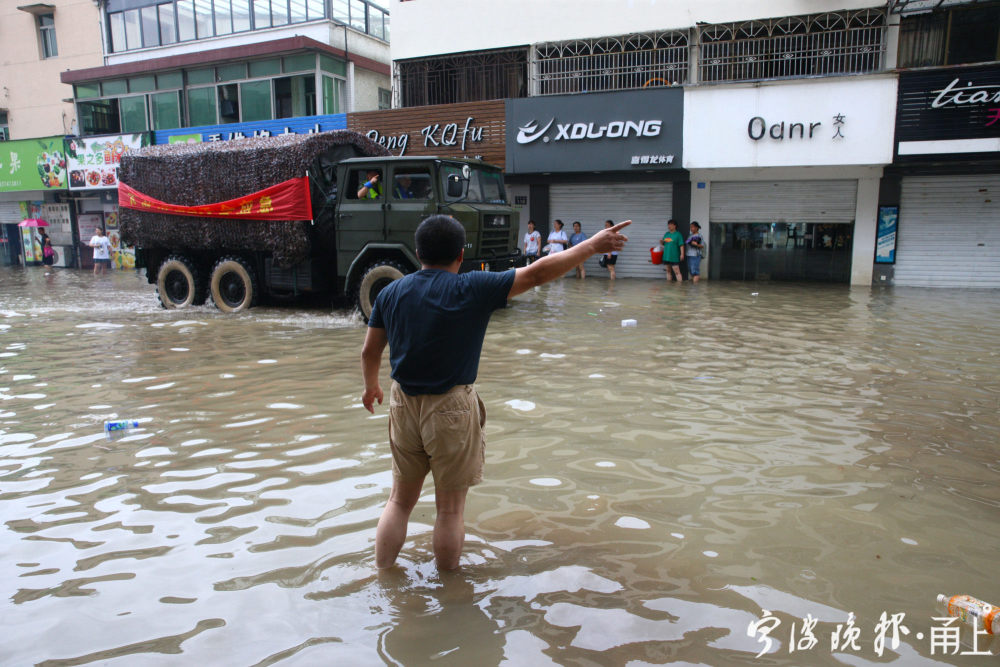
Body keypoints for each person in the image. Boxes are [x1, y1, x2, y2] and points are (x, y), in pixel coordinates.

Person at [361, 214, 631, 570]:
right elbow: (536, 274)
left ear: (417, 252)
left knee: (398, 502)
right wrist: (592, 246)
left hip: (402, 403)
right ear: (461, 254)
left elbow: (370, 351)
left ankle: (382, 575)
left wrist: (371, 386)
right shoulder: (472, 286)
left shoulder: (390, 292)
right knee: (450, 510)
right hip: (450, 406)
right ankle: (449, 590)